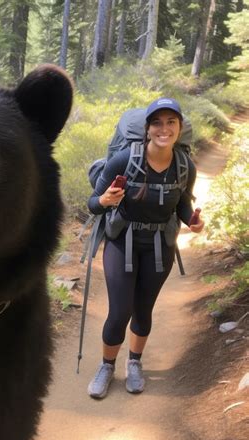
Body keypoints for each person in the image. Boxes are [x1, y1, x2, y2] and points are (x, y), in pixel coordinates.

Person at [86, 98, 204, 399]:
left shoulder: (184, 166)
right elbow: (93, 203)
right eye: (157, 122)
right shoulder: (124, 160)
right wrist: (105, 201)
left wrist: (192, 221)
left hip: (159, 245)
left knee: (143, 309)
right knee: (120, 310)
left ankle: (135, 363)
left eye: (171, 122)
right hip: (121, 241)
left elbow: (182, 205)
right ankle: (107, 366)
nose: (164, 129)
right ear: (148, 128)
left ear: (178, 128)